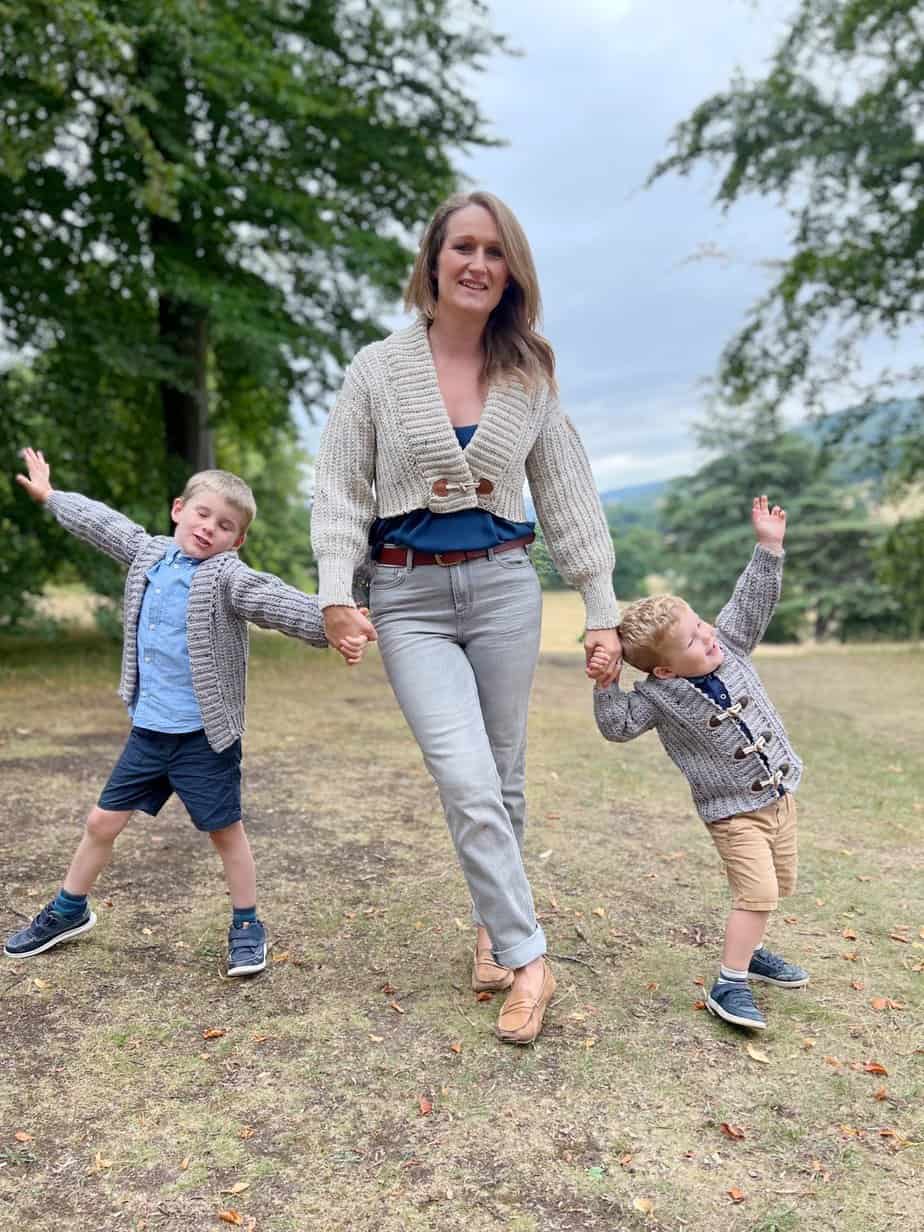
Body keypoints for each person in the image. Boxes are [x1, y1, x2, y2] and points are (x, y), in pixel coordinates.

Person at [312, 190, 622, 1044]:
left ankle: (493, 934)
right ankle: (532, 961)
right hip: (407, 596)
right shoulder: (379, 367)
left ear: (510, 270)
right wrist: (339, 589)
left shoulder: (528, 372)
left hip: (503, 587)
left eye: (495, 251)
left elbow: (566, 492)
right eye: (463, 248)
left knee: (505, 776)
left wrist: (601, 607)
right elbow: (340, 486)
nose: (478, 264)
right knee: (466, 776)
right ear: (434, 262)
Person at [4, 450, 361, 975]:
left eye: (225, 526)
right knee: (101, 822)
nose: (208, 528)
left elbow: (273, 599)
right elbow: (103, 524)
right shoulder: (146, 554)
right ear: (178, 509)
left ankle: (246, 923)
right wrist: (52, 496)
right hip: (148, 733)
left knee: (226, 833)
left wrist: (331, 621)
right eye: (202, 514)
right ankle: (68, 909)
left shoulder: (226, 578)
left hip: (203, 739)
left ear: (236, 541)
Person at [591, 496, 808, 1030]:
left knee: (779, 886)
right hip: (733, 812)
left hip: (779, 795)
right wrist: (607, 682)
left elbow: (751, 602)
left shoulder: (728, 643)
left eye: (701, 625)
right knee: (755, 892)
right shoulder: (658, 698)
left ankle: (751, 952)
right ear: (664, 670)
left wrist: (768, 548)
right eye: (693, 640)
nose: (708, 636)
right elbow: (616, 726)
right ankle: (729, 985)